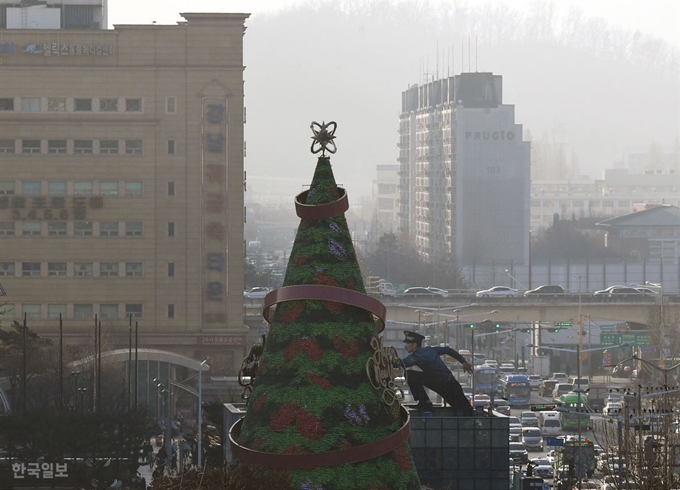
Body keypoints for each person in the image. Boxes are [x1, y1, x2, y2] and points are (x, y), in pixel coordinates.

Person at [400, 331, 474, 416]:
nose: (405, 347)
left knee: (410, 374)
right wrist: (463, 361)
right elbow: (448, 350)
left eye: (407, 344)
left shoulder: (417, 356)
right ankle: (425, 402)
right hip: (449, 382)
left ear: (414, 345)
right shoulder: (430, 350)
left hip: (445, 385)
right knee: (463, 408)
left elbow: (401, 364)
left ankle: (425, 403)